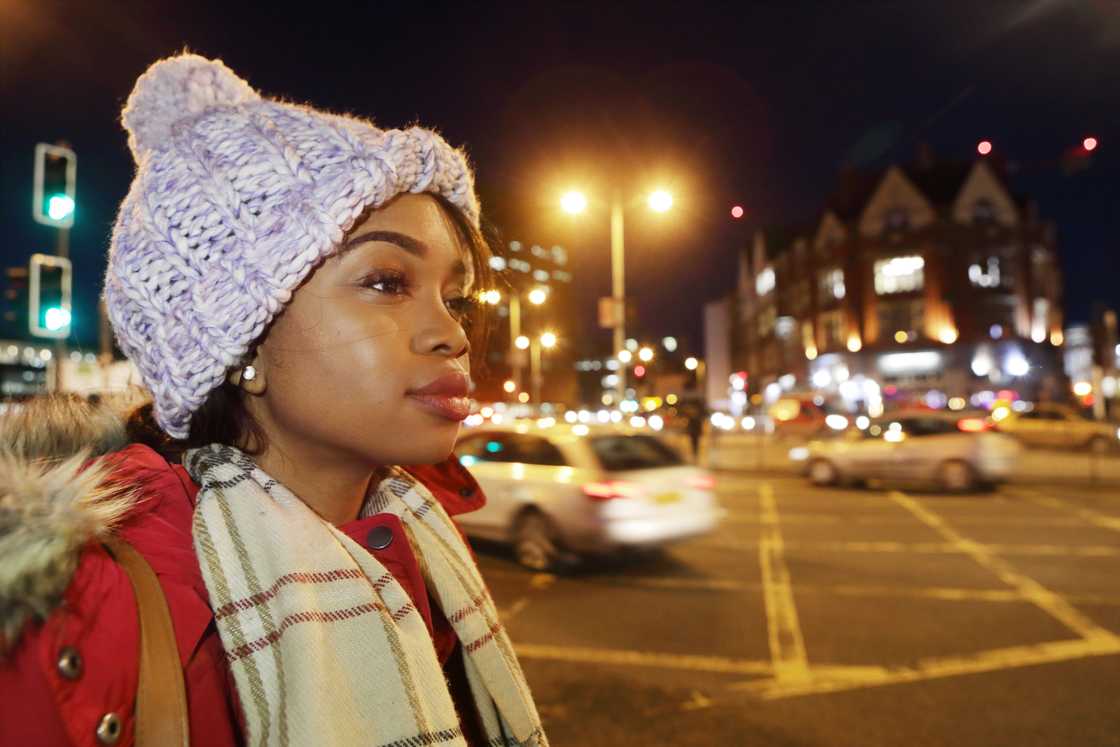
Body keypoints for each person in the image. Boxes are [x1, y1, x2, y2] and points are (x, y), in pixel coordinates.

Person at [0, 53, 547, 747]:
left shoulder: (422, 548)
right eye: (385, 280)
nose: (451, 333)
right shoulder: (77, 616)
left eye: (456, 297)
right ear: (241, 340)